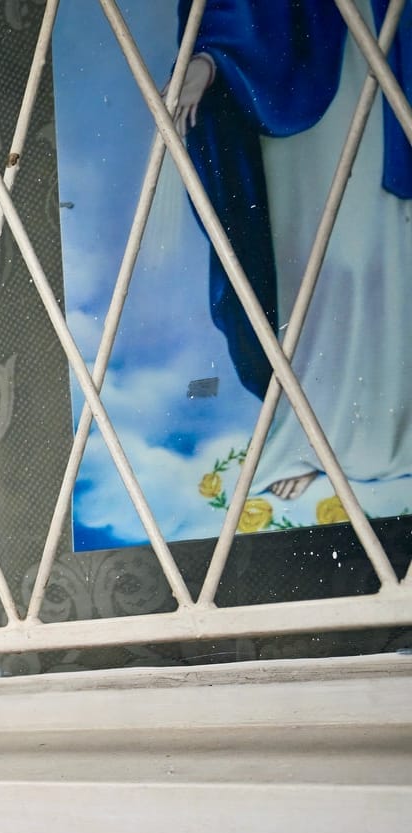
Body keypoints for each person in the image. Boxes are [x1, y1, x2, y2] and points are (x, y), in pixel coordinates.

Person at [174, 0, 411, 513]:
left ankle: (392, 434)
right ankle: (310, 437)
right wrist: (211, 57)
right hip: (298, 58)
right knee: (317, 259)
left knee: (382, 249)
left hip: (386, 46)